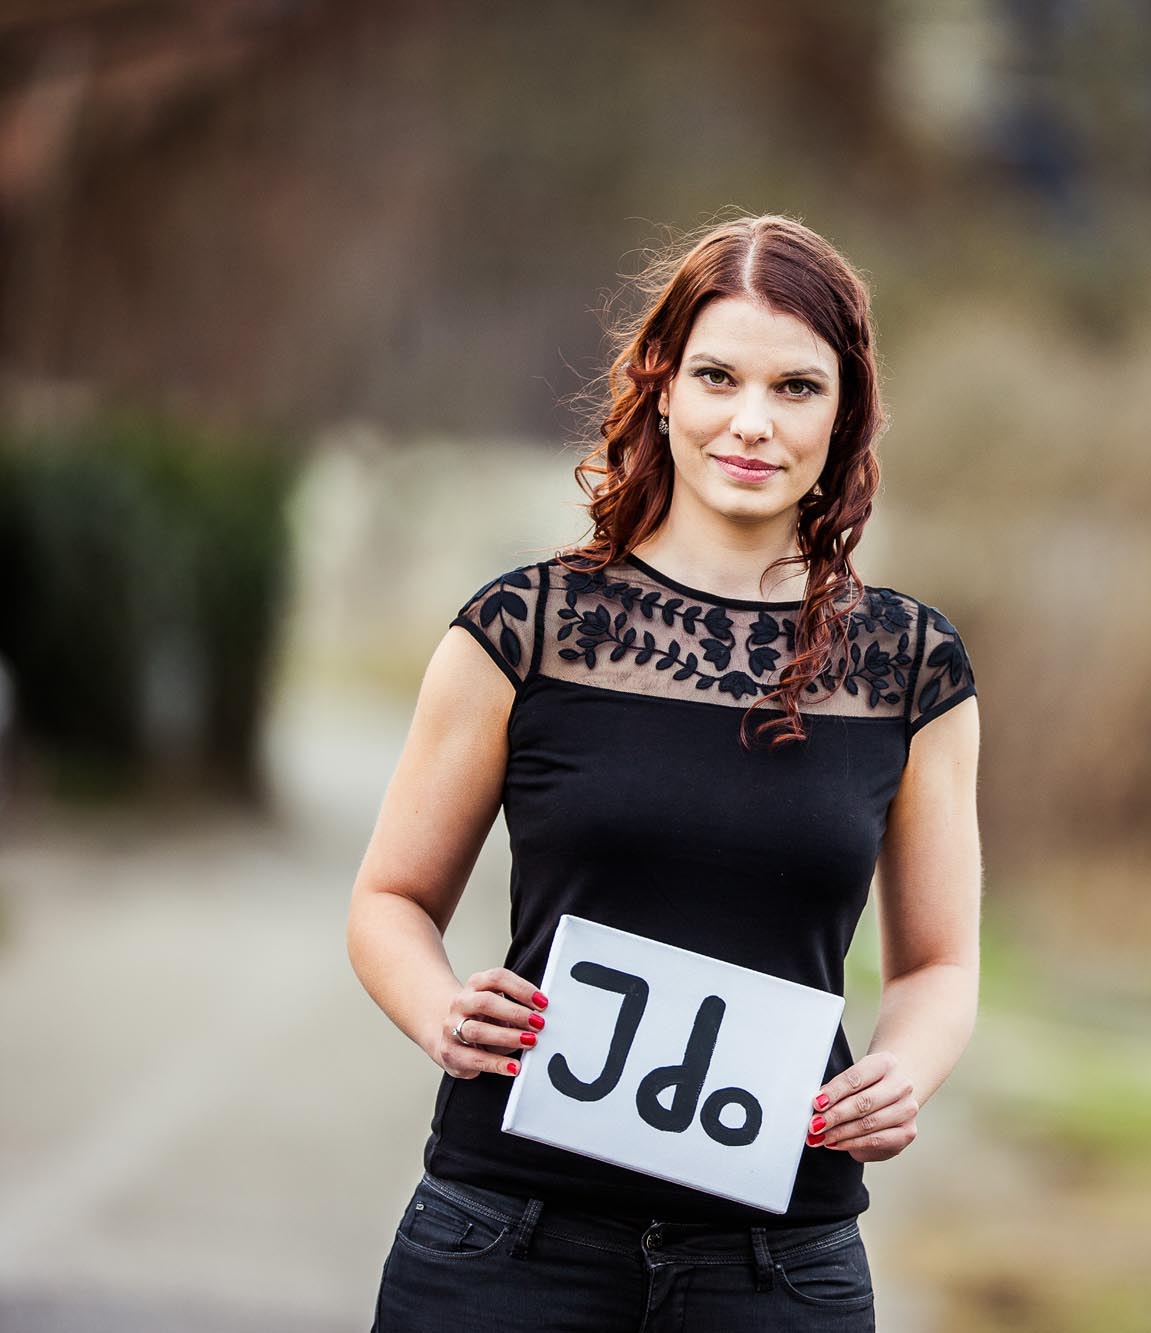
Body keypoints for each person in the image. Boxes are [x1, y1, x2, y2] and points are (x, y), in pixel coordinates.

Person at [348, 214, 982, 1331]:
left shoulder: (909, 666)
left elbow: (936, 963)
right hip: (505, 1244)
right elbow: (388, 899)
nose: (751, 421)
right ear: (661, 387)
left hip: (775, 1267)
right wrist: (440, 1010)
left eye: (795, 388)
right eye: (716, 376)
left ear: (845, 414)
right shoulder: (521, 629)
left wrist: (906, 1069)